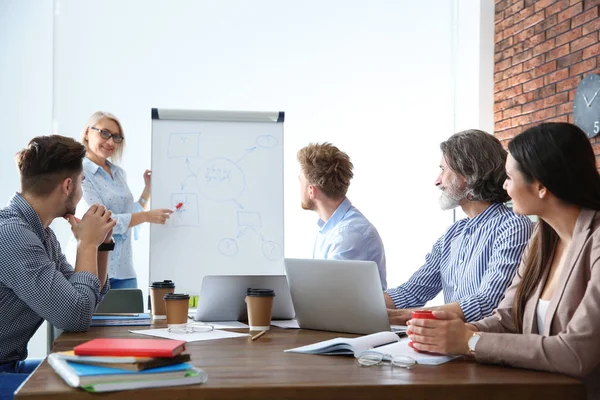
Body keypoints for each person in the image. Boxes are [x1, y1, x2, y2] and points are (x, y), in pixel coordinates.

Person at [407, 122, 600, 399]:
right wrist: (460, 331)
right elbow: (508, 318)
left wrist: (470, 341)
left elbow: (576, 353)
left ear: (541, 186)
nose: (504, 186)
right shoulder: (542, 239)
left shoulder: (595, 242)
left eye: (509, 177)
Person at [0, 135, 115, 400]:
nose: (82, 191)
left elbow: (85, 301)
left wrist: (100, 246)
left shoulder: (42, 236)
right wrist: (86, 244)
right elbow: (74, 316)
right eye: (82, 183)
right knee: (88, 391)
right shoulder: (13, 236)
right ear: (68, 185)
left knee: (101, 374)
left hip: (8, 366)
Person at [385, 129, 533, 324]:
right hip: (448, 345)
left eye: (443, 169)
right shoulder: (452, 234)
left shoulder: (513, 227)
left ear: (470, 172)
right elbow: (412, 292)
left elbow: (488, 302)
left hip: (482, 346)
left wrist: (401, 316)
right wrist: (364, 305)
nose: (437, 181)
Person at [74, 111, 173, 289]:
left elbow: (128, 217)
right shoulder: (79, 173)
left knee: (130, 316)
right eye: (104, 133)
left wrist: (147, 191)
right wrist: (146, 216)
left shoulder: (118, 173)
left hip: (124, 269)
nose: (111, 142)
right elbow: (99, 222)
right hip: (94, 268)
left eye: (116, 137)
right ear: (88, 133)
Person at [297, 142, 387, 289]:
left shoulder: (347, 233)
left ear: (311, 191)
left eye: (300, 181)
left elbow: (329, 294)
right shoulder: (332, 228)